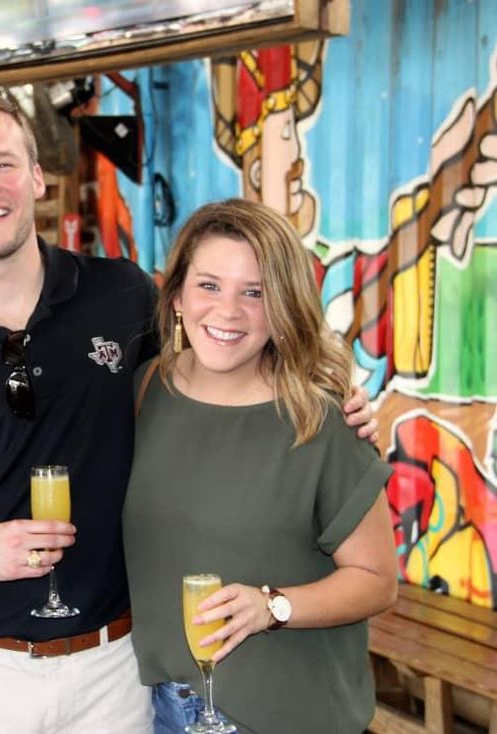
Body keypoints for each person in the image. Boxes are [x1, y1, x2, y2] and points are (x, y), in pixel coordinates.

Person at [0, 92, 378, 733]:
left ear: (35, 176)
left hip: (121, 670)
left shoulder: (121, 295)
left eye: (1, 164)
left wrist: (327, 395)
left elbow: (214, 374)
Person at [123, 199, 398, 733]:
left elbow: (377, 580)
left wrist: (272, 607)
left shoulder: (320, 418)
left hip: (286, 715)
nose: (228, 312)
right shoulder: (145, 391)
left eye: (255, 292)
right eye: (209, 286)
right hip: (164, 709)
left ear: (285, 305)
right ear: (177, 295)